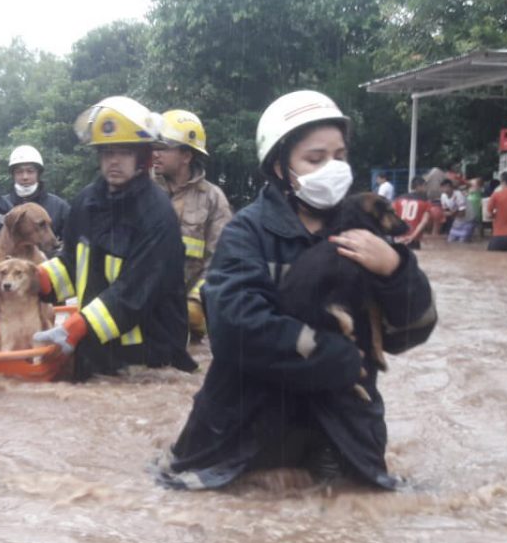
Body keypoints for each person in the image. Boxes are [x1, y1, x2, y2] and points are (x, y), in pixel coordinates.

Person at [154, 90, 436, 490]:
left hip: (344, 441)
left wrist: (396, 271)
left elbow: (411, 331)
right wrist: (327, 354)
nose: (333, 168)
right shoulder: (247, 233)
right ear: (280, 166)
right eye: (315, 159)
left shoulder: (368, 235)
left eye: (339, 157)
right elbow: (234, 329)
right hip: (241, 442)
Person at [32, 96, 196, 380]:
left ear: (143, 157)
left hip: (148, 360)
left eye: (123, 152)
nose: (113, 161)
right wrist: (36, 280)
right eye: (106, 152)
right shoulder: (86, 202)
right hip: (97, 352)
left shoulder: (158, 214)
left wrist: (78, 327)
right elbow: (73, 263)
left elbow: (135, 293)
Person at [153, 109, 233, 341]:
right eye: (153, 147)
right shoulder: (142, 191)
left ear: (186, 155)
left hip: (191, 322)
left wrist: (197, 301)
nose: (155, 154)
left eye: (163, 147)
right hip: (142, 313)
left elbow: (221, 260)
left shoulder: (213, 199)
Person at [4, 145, 69, 249]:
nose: (25, 177)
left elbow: (70, 244)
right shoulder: (2, 205)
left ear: (38, 174)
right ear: (13, 175)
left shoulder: (59, 206)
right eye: (19, 172)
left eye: (30, 171)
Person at [393, 177, 432, 249]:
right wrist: (412, 236)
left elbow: (392, 217)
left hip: (398, 238)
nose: (426, 188)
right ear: (419, 186)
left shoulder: (399, 199)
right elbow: (424, 221)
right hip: (412, 240)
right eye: (425, 186)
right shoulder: (425, 202)